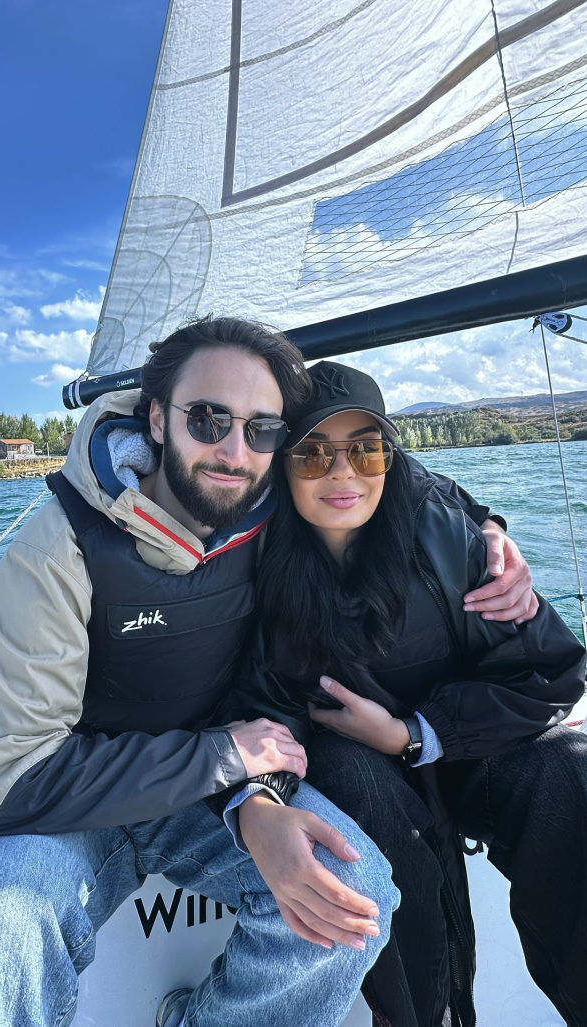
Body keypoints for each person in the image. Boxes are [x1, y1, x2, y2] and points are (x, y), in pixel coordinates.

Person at [0, 318, 534, 1027]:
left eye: (262, 429)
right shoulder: (58, 549)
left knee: (350, 892)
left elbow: (389, 475)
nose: (235, 452)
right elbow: (12, 780)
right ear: (157, 418)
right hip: (73, 805)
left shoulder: (273, 509)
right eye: (208, 419)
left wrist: (488, 530)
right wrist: (225, 760)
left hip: (206, 796)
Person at [240, 359, 587, 1027]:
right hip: (350, 770)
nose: (343, 473)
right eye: (312, 454)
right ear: (280, 465)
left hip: (466, 750)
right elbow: (255, 703)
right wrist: (257, 802)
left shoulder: (448, 538)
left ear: (391, 458)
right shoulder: (253, 562)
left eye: (366, 449)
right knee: (358, 788)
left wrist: (415, 734)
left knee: (570, 774)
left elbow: (552, 673)